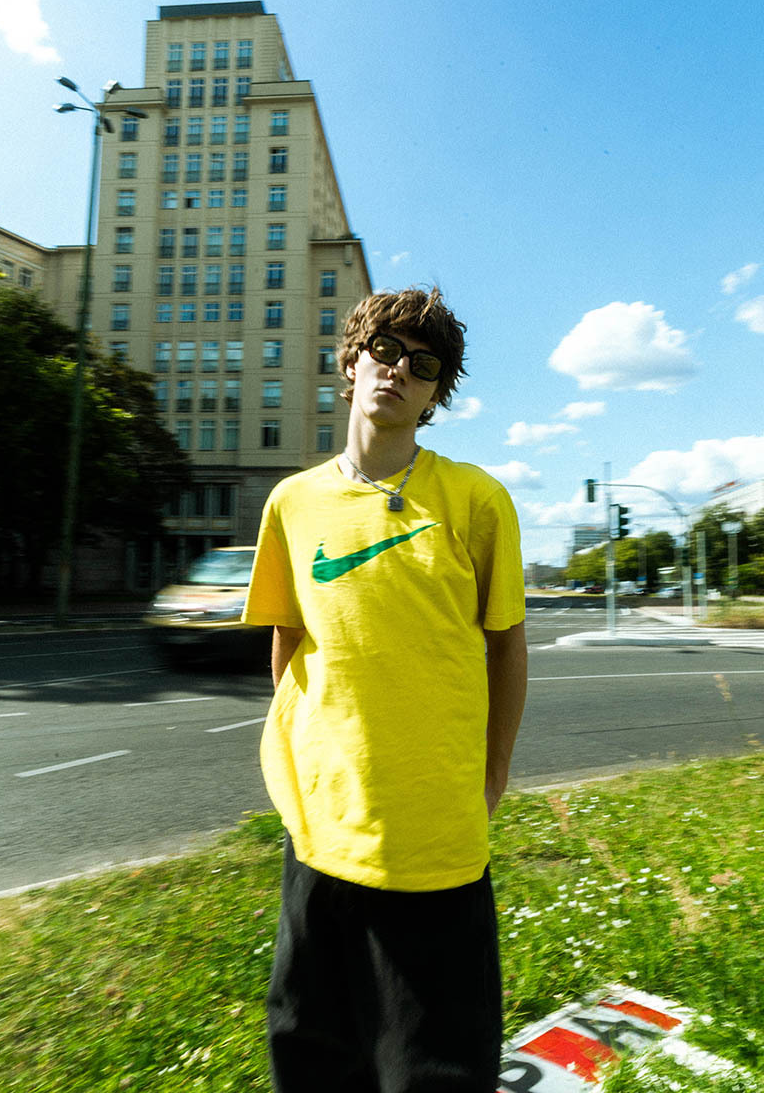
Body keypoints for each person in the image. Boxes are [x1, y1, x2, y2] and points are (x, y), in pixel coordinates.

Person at [242, 286, 527, 1092]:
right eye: (386, 350)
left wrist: (494, 772)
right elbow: (289, 641)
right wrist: (309, 762)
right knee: (311, 1047)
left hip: (436, 834)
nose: (400, 370)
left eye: (423, 364)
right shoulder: (292, 504)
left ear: (436, 395)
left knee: (438, 1065)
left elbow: (507, 647)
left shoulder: (476, 500)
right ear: (353, 362)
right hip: (320, 830)